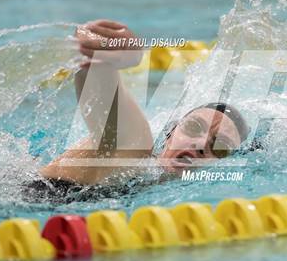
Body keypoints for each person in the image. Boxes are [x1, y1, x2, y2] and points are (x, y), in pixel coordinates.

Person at [37, 20, 250, 189]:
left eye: (220, 146)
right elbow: (96, 79)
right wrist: (106, 53)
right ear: (169, 135)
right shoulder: (134, 148)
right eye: (194, 128)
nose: (202, 144)